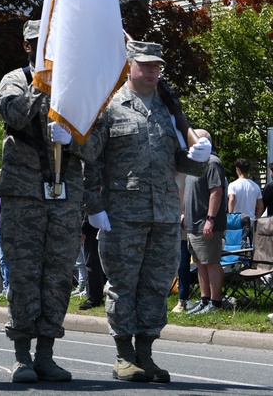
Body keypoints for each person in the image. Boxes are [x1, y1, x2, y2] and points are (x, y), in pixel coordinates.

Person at [83, 41, 210, 383]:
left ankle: (146, 353)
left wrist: (198, 160)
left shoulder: (169, 110)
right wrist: (94, 208)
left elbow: (179, 162)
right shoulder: (109, 107)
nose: (154, 71)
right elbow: (90, 161)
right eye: (146, 65)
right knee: (124, 284)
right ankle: (124, 355)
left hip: (165, 214)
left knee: (155, 286)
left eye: (157, 66)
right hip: (122, 215)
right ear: (129, 66)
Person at [0, 18, 92, 383]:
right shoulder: (14, 80)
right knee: (23, 275)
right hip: (24, 193)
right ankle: (22, 355)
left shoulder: (75, 87)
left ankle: (46, 353)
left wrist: (73, 139)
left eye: (51, 44)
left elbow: (94, 145)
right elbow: (15, 116)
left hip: (65, 193)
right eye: (38, 45)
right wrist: (42, 85)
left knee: (58, 277)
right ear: (26, 46)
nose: (46, 51)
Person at [182, 129, 227, 315]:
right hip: (192, 223)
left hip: (206, 224)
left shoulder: (212, 162)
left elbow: (216, 191)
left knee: (211, 262)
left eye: (193, 139)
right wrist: (184, 212)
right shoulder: (195, 163)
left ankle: (215, 304)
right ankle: (204, 300)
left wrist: (210, 219)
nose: (189, 143)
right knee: (199, 262)